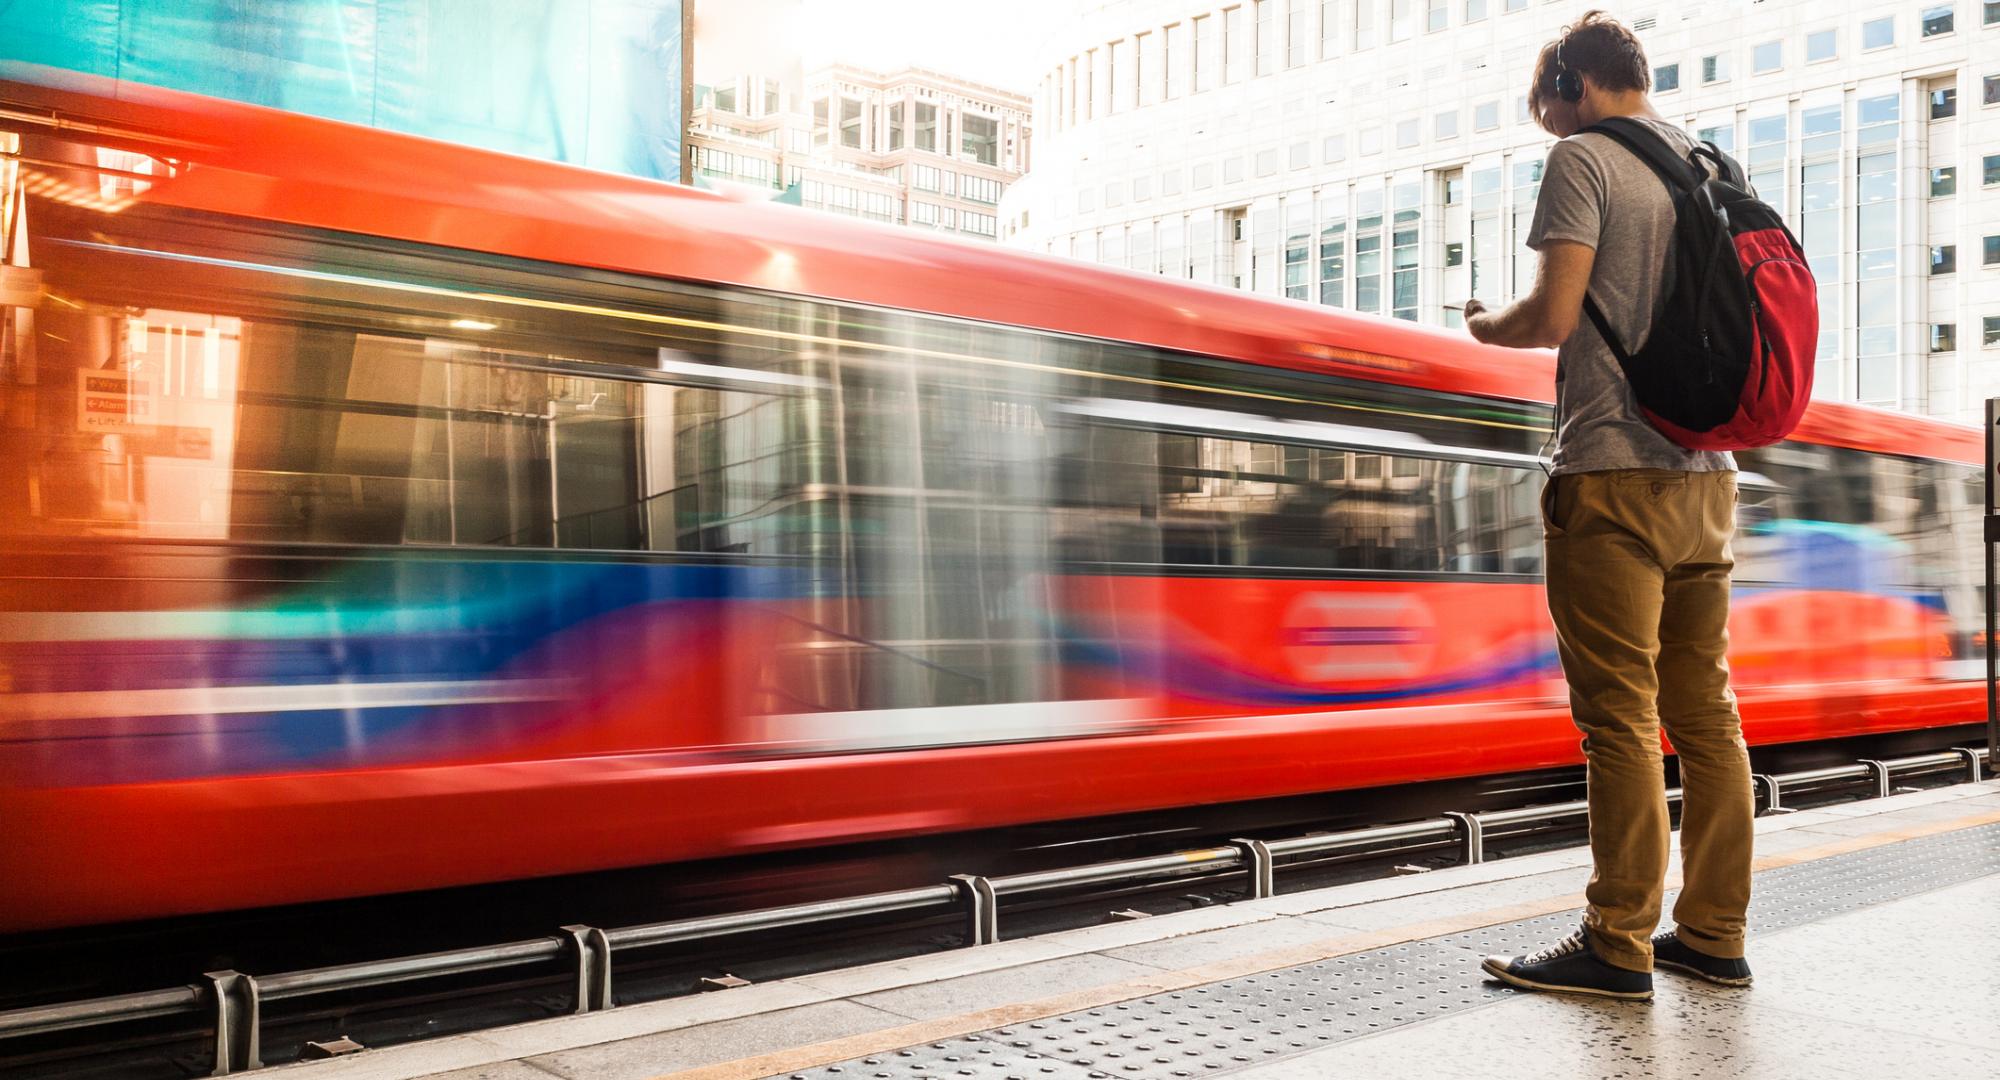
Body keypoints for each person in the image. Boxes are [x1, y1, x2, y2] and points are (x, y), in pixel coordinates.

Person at [1463, 10, 1755, 1001]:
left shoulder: (1584, 157)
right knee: (1706, 715)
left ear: (1574, 86)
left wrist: (1480, 326)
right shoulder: (1708, 161)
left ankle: (1615, 940)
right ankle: (1712, 933)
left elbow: (1549, 316)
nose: (1549, 130)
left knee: (1618, 717)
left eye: (1547, 111)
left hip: (1611, 474)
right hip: (1707, 479)